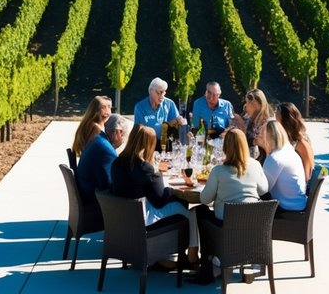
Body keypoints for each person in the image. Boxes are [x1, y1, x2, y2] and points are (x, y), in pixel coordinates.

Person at [110, 124, 200, 264]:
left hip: (124, 220)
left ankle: (167, 257)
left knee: (179, 205)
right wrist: (167, 185)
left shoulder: (117, 163)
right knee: (191, 214)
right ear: (148, 145)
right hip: (143, 221)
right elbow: (160, 200)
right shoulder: (144, 168)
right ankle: (191, 258)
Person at [190, 128, 269, 285]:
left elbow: (205, 199)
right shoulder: (255, 165)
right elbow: (264, 189)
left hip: (225, 227)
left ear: (225, 147)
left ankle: (208, 261)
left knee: (199, 211)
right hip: (253, 224)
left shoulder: (219, 171)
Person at [77, 114, 130, 204]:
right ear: (118, 132)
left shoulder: (98, 139)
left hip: (85, 190)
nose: (124, 139)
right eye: (124, 135)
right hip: (92, 199)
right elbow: (109, 185)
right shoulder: (107, 151)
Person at [259, 120, 307, 212]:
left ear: (268, 138)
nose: (257, 137)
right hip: (298, 203)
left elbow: (263, 189)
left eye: (261, 136)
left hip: (286, 208)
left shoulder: (275, 158)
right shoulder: (289, 151)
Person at [275, 102, 315, 181]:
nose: (276, 125)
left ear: (286, 121)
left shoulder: (301, 142)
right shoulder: (285, 139)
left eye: (277, 121)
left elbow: (307, 175)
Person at [231, 88, 272, 159]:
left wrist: (242, 126)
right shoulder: (249, 117)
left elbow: (254, 148)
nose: (245, 106)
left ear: (256, 105)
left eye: (247, 102)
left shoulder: (266, 126)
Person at [71, 96, 112, 160]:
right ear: (95, 111)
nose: (107, 111)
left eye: (109, 107)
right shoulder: (95, 128)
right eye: (103, 107)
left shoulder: (91, 124)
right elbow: (98, 150)